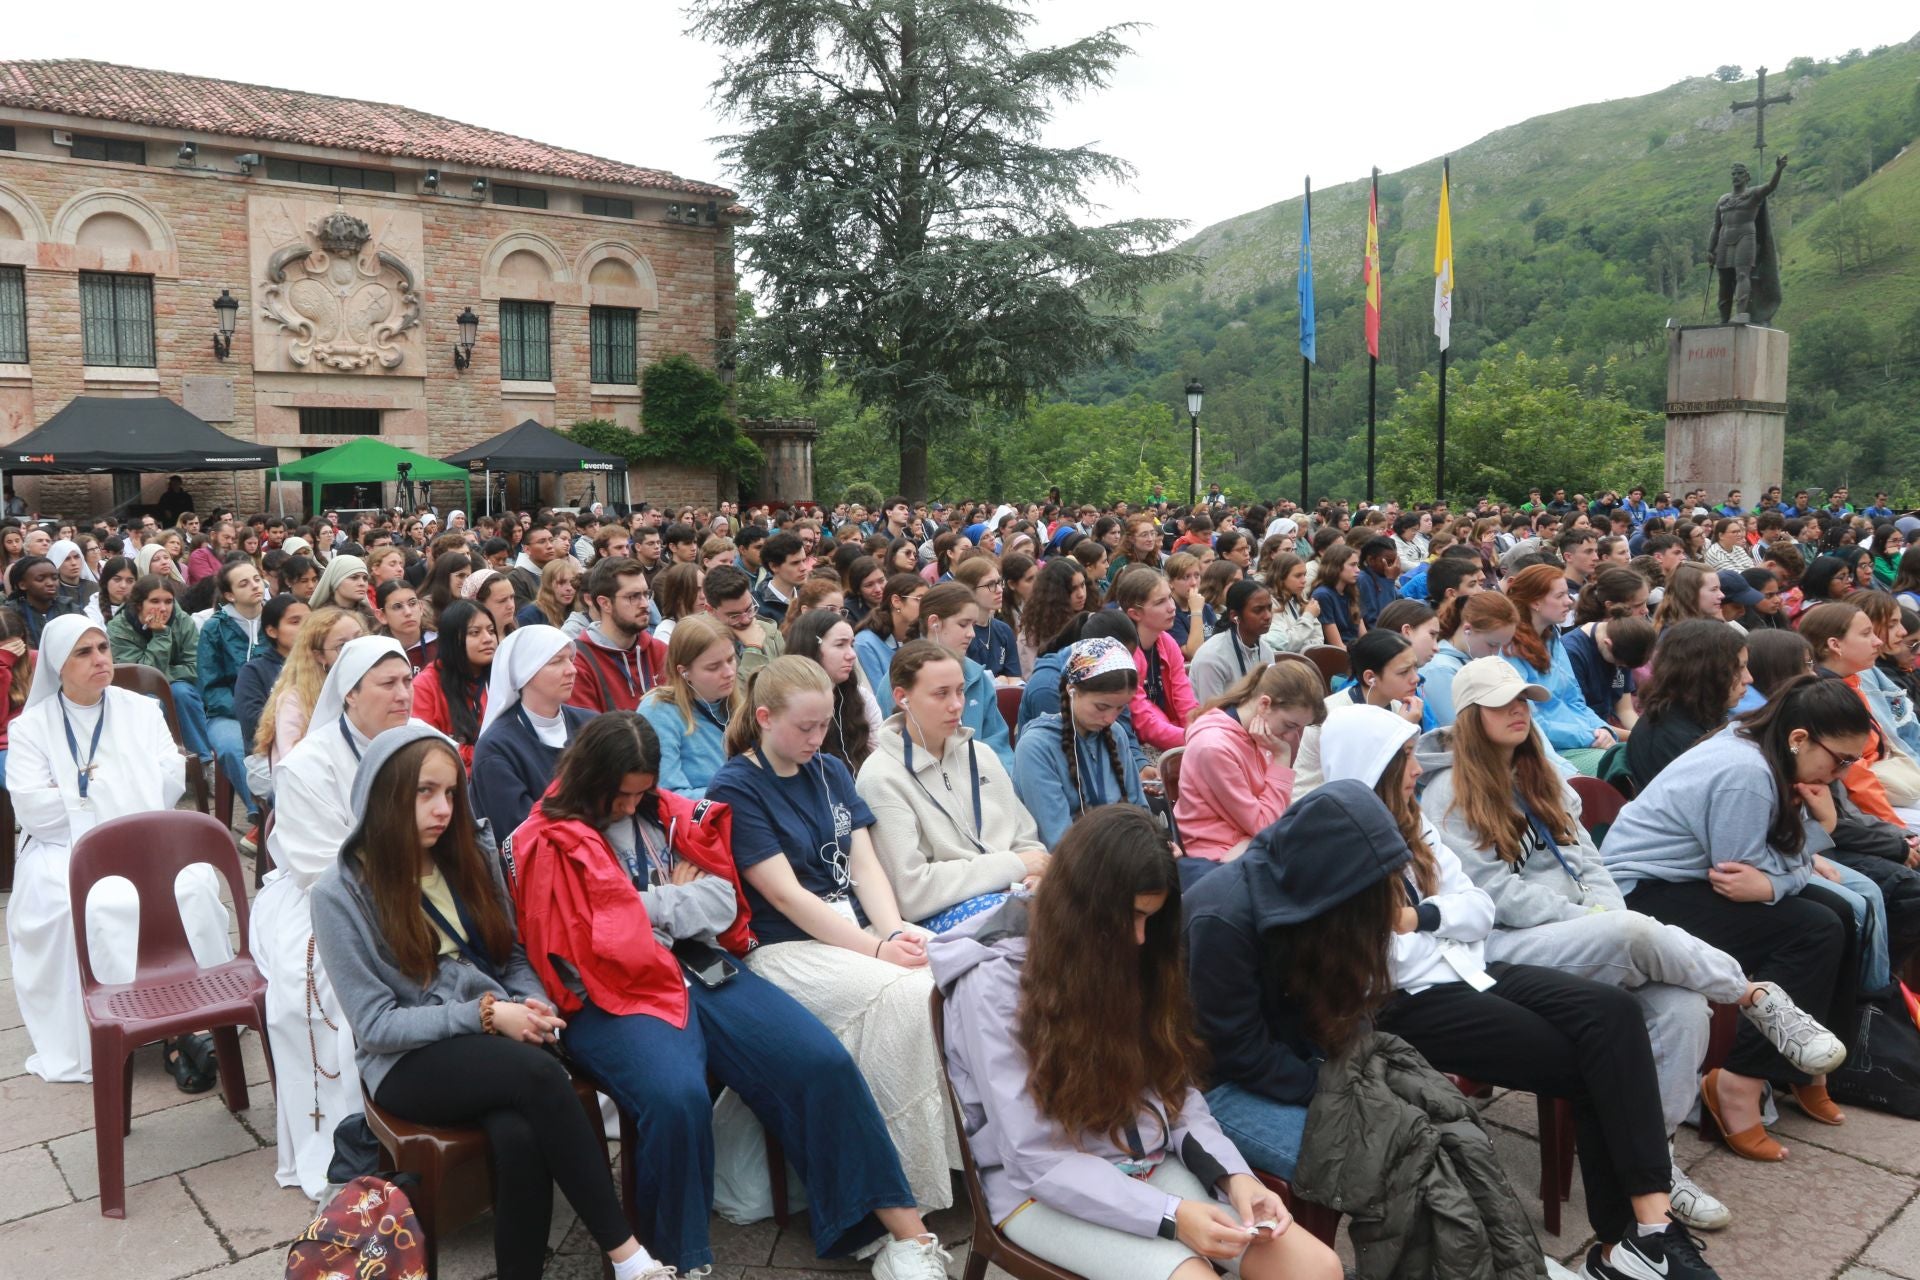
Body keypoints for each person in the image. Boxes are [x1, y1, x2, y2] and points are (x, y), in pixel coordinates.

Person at [509, 713, 953, 1278]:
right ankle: (676, 1261)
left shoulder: (661, 812)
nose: (629, 807)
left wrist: (642, 910)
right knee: (675, 1099)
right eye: (620, 795)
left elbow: (719, 902)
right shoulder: (540, 836)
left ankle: (905, 1238)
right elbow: (586, 944)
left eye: (640, 793)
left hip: (699, 967)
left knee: (820, 1062)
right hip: (610, 996)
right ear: (589, 778)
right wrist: (665, 901)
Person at [1417, 657, 1842, 1230]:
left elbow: (1590, 858)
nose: (1519, 711)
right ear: (1470, 716)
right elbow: (1493, 896)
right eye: (1501, 704)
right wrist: (1590, 917)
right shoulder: (1448, 793)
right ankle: (1753, 995)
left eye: (1524, 700)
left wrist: (1600, 909)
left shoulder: (1538, 772)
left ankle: (1657, 1165)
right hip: (1503, 946)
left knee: (1683, 1006)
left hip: (1578, 926)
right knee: (1630, 931)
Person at [1315, 702, 1720, 1279]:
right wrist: (1440, 925)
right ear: (1372, 764)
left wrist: (1425, 919)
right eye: (1404, 759)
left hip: (1470, 969)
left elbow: (1477, 909)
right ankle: (1628, 1244)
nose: (1416, 769)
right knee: (1592, 1061)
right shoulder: (1337, 838)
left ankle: (1647, 1231)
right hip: (1405, 1005)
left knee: (1613, 1013)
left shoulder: (1412, 821)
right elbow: (1388, 961)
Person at [310, 724, 667, 1280]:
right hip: (408, 1060)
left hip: (493, 1039)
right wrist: (484, 1014)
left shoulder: (469, 853)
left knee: (519, 1134)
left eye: (451, 793)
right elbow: (376, 1024)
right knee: (541, 1080)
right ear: (384, 796)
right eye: (424, 792)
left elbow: (512, 954)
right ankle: (629, 1257)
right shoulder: (340, 893)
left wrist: (531, 1001)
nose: (442, 809)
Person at [928, 806, 1341, 1280]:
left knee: (1318, 1268)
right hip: (1036, 1192)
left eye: (1152, 918)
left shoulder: (1123, 952)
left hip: (1143, 1163)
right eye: (1133, 916)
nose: (1141, 938)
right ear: (1082, 906)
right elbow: (1034, 1158)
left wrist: (1236, 1177)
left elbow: (1176, 1095)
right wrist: (1170, 1215)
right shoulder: (992, 984)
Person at [705, 657, 961, 1210]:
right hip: (786, 947)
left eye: (823, 726)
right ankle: (902, 1181)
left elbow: (865, 864)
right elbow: (782, 895)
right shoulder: (737, 784)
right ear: (766, 718)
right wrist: (877, 950)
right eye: (804, 727)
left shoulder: (831, 769)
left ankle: (961, 1150)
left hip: (857, 926)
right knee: (910, 994)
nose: (816, 738)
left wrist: (895, 932)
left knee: (963, 970)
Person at [1603, 676, 1867, 1160]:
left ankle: (1802, 1068)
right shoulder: (1745, 771)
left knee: (1842, 912)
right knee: (1814, 930)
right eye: (1840, 760)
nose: (1841, 774)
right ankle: (1738, 1080)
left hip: (1688, 878)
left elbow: (1768, 871)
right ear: (1800, 738)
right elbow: (1743, 875)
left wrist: (1787, 870)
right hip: (1642, 892)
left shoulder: (1763, 748)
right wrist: (1814, 838)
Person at [5, 616, 234, 1086]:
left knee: (190, 890)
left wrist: (78, 790)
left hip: (147, 839)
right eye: (83, 653)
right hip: (66, 848)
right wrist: (114, 787)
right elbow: (33, 810)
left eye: (103, 648)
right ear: (57, 665)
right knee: (94, 905)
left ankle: (184, 1022)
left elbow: (170, 778)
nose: (100, 660)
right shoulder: (33, 728)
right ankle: (142, 1024)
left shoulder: (141, 709)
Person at [257, 637, 417, 1196]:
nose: (403, 694)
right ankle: (348, 1144)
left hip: (421, 893)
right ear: (349, 695)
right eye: (387, 684)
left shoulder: (425, 744)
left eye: (407, 680)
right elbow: (321, 867)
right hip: (326, 903)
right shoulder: (306, 764)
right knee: (323, 990)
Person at [859, 640, 1047, 932]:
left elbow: (1027, 841)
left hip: (1014, 893)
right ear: (901, 697)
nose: (957, 704)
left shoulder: (981, 755)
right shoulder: (881, 777)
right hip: (944, 912)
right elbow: (912, 893)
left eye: (960, 690)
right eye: (941, 694)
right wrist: (1015, 866)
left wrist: (1034, 875)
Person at [1175, 658, 1325, 862]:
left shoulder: (1261, 734)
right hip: (1216, 855)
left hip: (1247, 844)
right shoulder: (1214, 747)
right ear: (1264, 704)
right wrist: (1281, 759)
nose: (1291, 737)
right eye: (1290, 725)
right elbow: (1263, 825)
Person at [1013, 637, 1152, 846]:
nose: (1110, 719)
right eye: (1101, 707)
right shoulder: (1036, 747)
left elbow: (1139, 809)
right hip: (1073, 867)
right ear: (1072, 691)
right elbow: (1057, 840)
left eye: (1120, 708)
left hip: (1125, 857)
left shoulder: (1116, 734)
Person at [470, 624, 594, 839]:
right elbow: (521, 832)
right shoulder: (496, 748)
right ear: (525, 672)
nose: (572, 670)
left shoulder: (591, 725)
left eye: (570, 660)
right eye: (557, 661)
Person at [1504, 563, 1617, 774]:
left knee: (1637, 757)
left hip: (1584, 738)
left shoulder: (1552, 636)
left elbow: (1574, 699)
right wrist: (1589, 735)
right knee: (1622, 766)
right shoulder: (1508, 648)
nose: (1570, 602)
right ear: (1535, 602)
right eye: (1560, 596)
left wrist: (1603, 728)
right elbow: (1533, 720)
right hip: (1549, 751)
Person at [107, 572, 217, 768]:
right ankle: (152, 765)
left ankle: (205, 762)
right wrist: (160, 636)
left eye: (168, 601)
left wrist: (161, 680)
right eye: (155, 601)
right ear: (140, 604)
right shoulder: (119, 628)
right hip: (136, 692)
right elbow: (137, 678)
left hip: (179, 685)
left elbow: (194, 667)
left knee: (181, 693)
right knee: (153, 701)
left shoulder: (183, 620)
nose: (163, 608)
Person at [198, 557, 270, 834]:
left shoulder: (275, 618)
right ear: (229, 595)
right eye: (244, 583)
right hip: (228, 712)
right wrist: (247, 711)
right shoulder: (215, 627)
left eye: (256, 578)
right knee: (231, 747)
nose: (255, 586)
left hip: (274, 707)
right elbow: (211, 685)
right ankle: (260, 814)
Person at [911, 581, 1014, 769]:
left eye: (973, 625)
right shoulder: (904, 678)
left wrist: (997, 785)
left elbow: (998, 744)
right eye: (963, 624)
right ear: (934, 623)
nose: (972, 634)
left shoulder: (977, 676)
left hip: (984, 782)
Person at [638, 614, 740, 800]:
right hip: (698, 823)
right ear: (684, 672)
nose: (729, 672)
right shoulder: (658, 711)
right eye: (713, 667)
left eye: (731, 659)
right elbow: (669, 796)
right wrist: (739, 794)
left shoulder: (738, 706)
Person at [256, 606, 366, 767]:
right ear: (320, 656)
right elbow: (294, 762)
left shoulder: (377, 686)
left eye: (360, 638)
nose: (355, 648)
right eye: (342, 646)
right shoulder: (294, 700)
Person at [1112, 566, 1198, 755]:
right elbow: (1143, 721)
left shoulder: (1167, 642)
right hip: (1136, 745)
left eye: (1170, 597)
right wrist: (1194, 737)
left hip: (1174, 735)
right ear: (1135, 613)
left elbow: (1186, 700)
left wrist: (1197, 729)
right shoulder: (1124, 654)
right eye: (1160, 602)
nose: (1171, 607)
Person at [787, 606, 882, 771]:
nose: (852, 654)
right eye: (840, 645)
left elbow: (879, 760)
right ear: (812, 647)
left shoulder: (861, 697)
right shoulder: (786, 704)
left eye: (851, 644)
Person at [410, 599, 495, 767]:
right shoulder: (426, 686)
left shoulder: (503, 676)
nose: (488, 639)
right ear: (452, 639)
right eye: (475, 633)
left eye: (491, 631)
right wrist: (489, 755)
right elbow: (426, 749)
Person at [234, 594, 308, 759]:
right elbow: (253, 723)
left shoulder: (323, 664)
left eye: (309, 621)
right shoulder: (254, 671)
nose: (305, 627)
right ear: (272, 631)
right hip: (268, 756)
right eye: (295, 622)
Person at [1188, 579, 1277, 706]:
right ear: (1234, 616)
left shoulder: (1266, 651)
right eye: (1258, 610)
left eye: (1269, 608)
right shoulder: (1212, 657)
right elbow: (1211, 713)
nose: (1268, 616)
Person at [858, 572, 930, 716]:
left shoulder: (922, 638)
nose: (926, 607)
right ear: (896, 601)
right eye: (919, 599)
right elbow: (882, 698)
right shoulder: (865, 643)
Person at [706, 563, 786, 680]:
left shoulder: (770, 631)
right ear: (710, 610)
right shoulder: (701, 644)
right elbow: (738, 696)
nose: (746, 620)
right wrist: (753, 649)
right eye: (734, 616)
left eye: (749, 609)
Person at [953, 555, 1021, 682]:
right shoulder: (960, 633)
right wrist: (999, 681)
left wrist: (1005, 681)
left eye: (999, 583)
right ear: (969, 590)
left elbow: (1015, 678)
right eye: (991, 584)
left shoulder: (1003, 630)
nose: (1000, 590)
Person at [6, 556, 81, 643]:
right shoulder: (10, 614)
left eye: (54, 578)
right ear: (22, 585)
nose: (50, 583)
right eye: (40, 579)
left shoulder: (71, 608)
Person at [1261, 552, 1322, 654]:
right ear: (1281, 577)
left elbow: (1318, 638)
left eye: (1304, 575)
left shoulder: (1300, 597)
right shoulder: (1270, 603)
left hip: (1308, 660)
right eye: (1298, 576)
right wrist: (1309, 616)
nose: (1304, 581)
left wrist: (1304, 647)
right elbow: (1285, 643)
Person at [376, 577, 438, 673]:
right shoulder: (375, 652)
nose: (408, 612)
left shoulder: (440, 645)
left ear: (421, 608)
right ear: (382, 616)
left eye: (412, 603)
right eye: (397, 607)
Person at [1309, 543, 1364, 646]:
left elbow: (1364, 637)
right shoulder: (1322, 595)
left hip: (1357, 650)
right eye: (1352, 565)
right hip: (1339, 656)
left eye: (1357, 565)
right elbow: (1337, 646)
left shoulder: (1350, 591)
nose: (1358, 570)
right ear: (1336, 566)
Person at [517, 555, 583, 631]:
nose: (569, 588)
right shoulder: (530, 615)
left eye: (572, 582)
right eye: (561, 583)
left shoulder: (579, 612)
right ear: (548, 584)